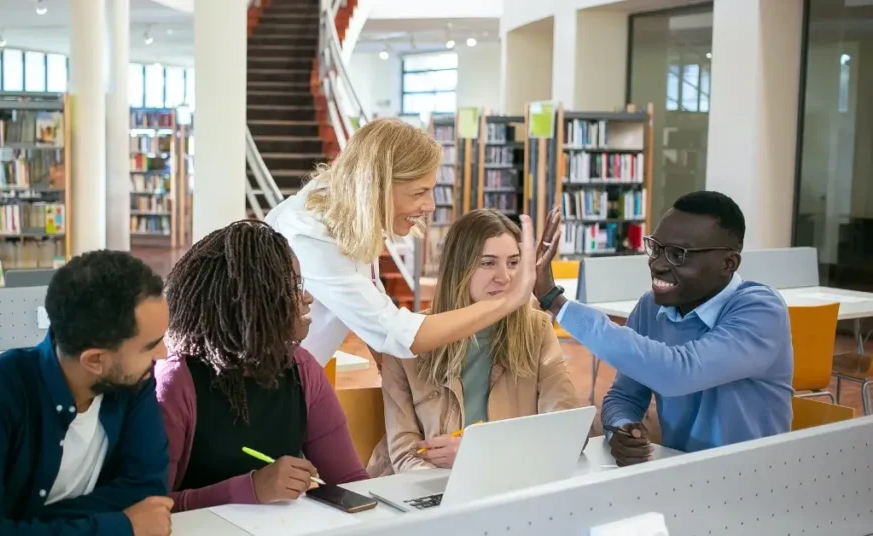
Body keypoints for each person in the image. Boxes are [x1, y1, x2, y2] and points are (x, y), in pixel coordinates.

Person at [265, 117, 559, 367]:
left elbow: (371, 311)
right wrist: (509, 300)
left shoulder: (347, 209)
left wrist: (398, 382)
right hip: (263, 383)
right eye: (419, 192)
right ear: (376, 188)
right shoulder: (309, 234)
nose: (430, 205)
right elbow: (391, 333)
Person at [533, 191, 793, 465]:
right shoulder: (651, 308)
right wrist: (621, 428)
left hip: (754, 481)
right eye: (656, 248)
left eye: (677, 254)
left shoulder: (761, 311)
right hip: (678, 474)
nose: (656, 264)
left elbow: (678, 371)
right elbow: (623, 396)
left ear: (728, 263)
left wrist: (557, 302)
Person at [0, 250, 174, 535]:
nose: (163, 354)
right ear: (95, 361)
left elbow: (148, 490)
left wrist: (26, 525)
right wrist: (118, 525)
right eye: (151, 345)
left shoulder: (134, 380)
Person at [155, 220, 369, 512]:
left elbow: (350, 482)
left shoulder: (303, 370)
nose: (306, 298)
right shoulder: (177, 384)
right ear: (247, 301)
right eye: (292, 285)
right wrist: (251, 488)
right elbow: (148, 510)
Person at [367, 209, 582, 476]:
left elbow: (565, 430)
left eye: (513, 263)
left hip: (505, 481)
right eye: (488, 263)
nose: (504, 277)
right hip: (424, 487)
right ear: (459, 269)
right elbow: (404, 454)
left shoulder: (536, 330)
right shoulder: (407, 339)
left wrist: (479, 456)